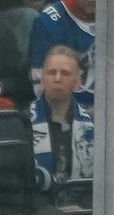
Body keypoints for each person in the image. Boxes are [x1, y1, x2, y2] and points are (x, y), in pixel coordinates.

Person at [27, 43, 93, 193]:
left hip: (83, 202)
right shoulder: (23, 121)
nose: (57, 78)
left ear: (77, 82)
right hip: (37, 202)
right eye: (51, 72)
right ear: (42, 79)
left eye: (65, 73)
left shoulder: (93, 124)